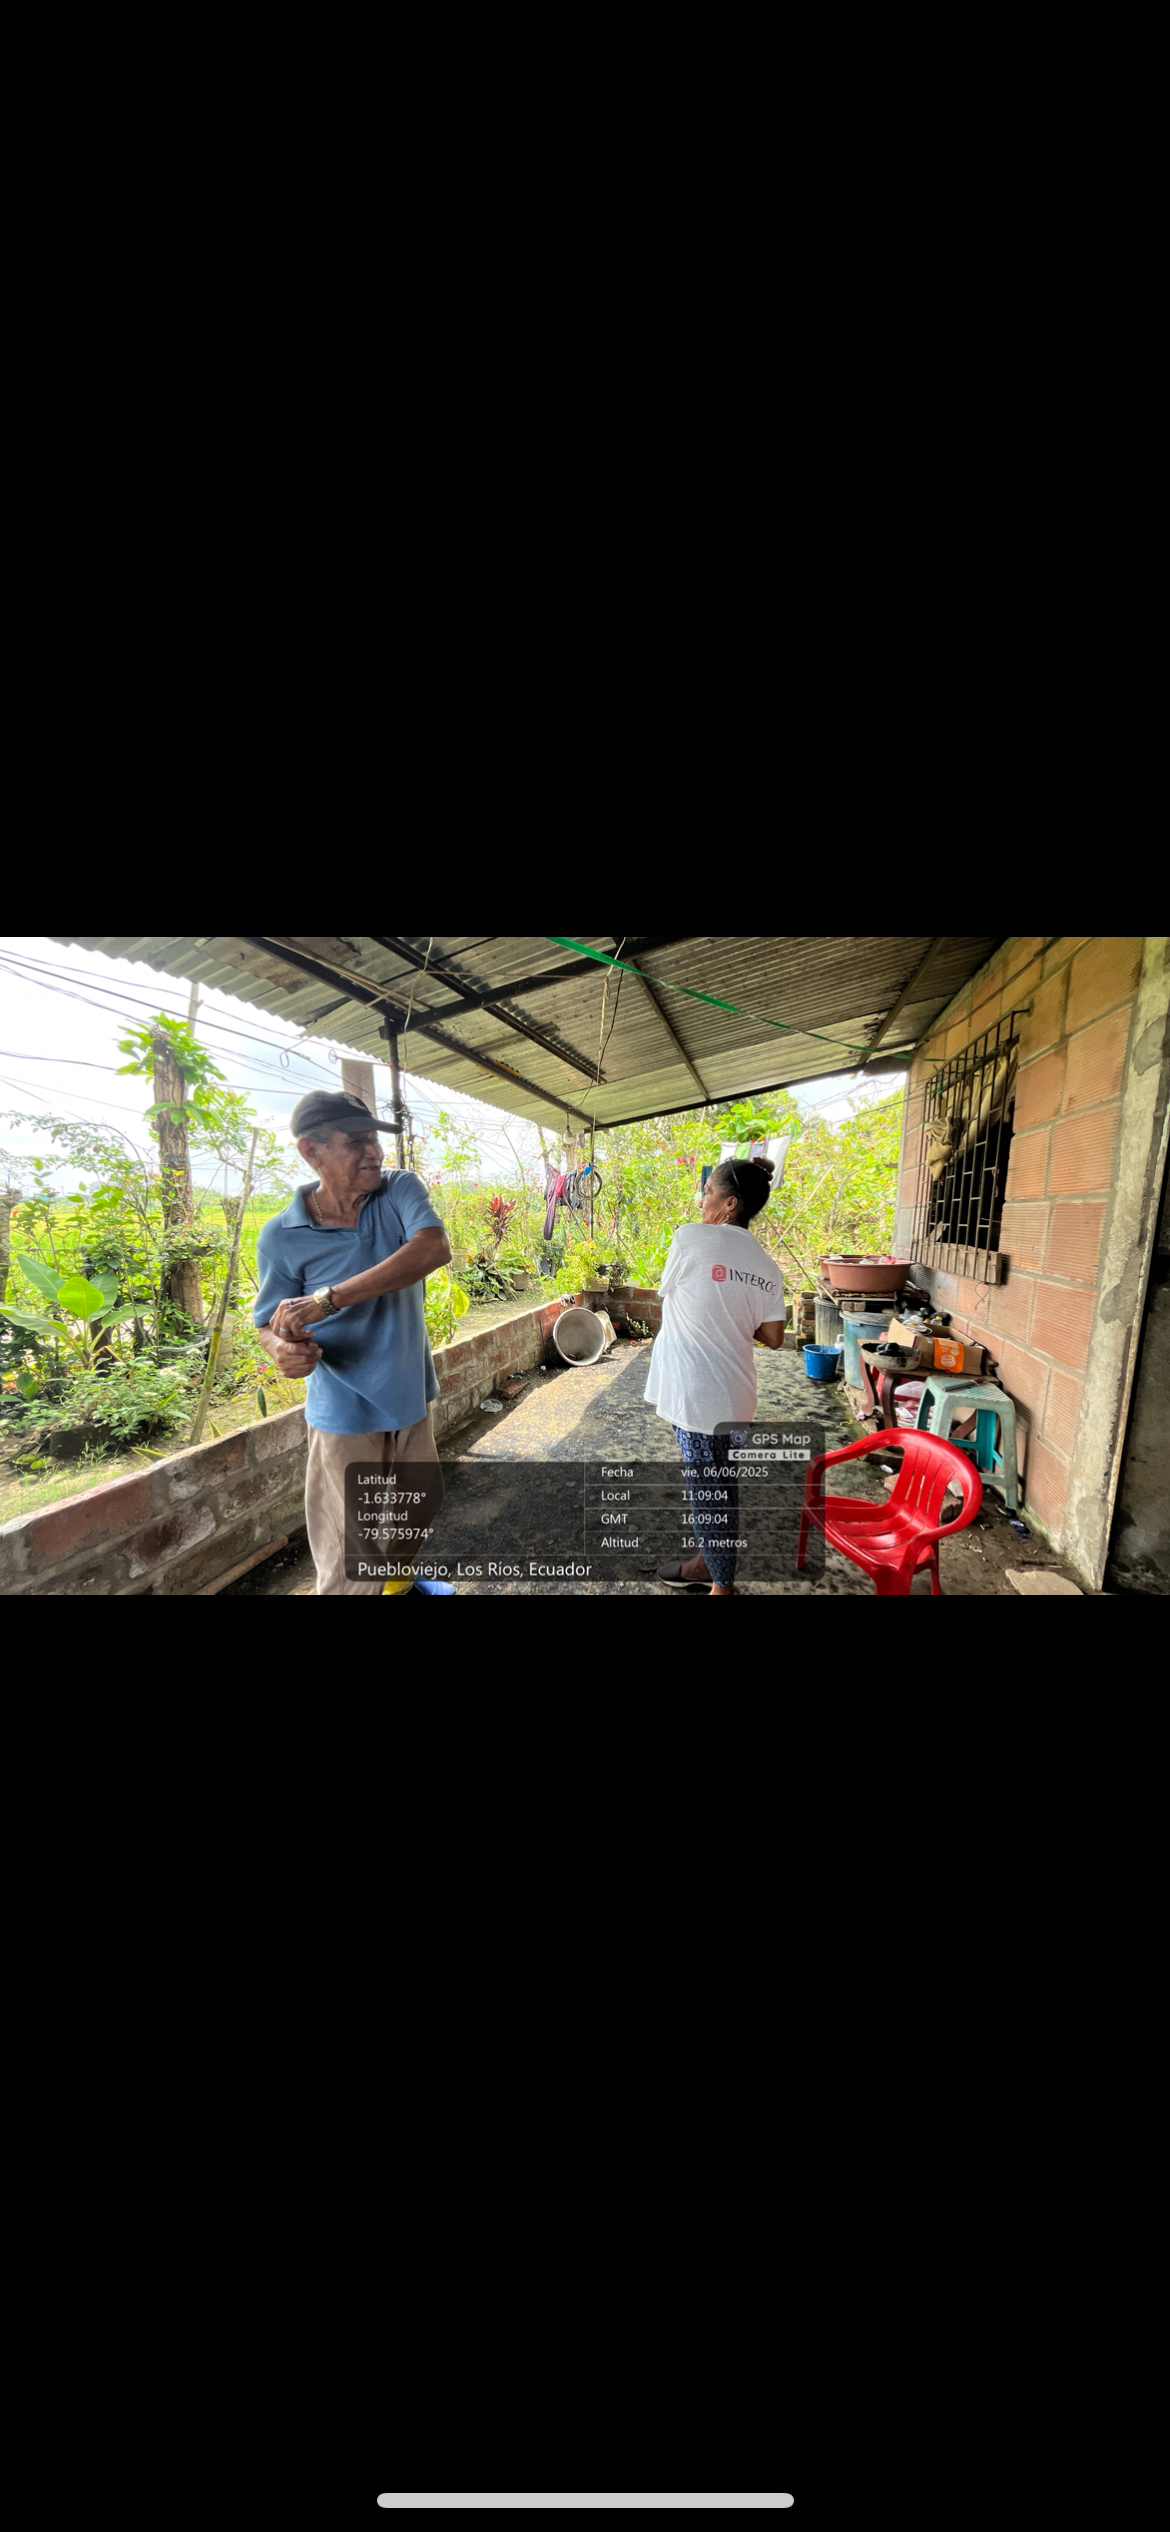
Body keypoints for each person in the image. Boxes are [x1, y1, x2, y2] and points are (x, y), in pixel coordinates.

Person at [253, 1090, 455, 1597]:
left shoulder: (398, 1191)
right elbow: (267, 1324)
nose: (374, 1153)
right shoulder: (281, 1236)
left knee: (416, 1508)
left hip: (409, 1396)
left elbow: (432, 1248)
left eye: (375, 1140)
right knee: (352, 1552)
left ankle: (399, 1587)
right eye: (356, 1142)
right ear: (311, 1151)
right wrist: (281, 1350)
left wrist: (328, 1299)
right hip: (345, 1411)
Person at [644, 1156, 785, 1597]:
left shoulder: (690, 1238)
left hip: (699, 1394)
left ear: (730, 1203)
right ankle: (707, 1562)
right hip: (735, 1394)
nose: (701, 1200)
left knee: (711, 1492)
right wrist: (736, 1313)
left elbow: (669, 1291)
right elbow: (774, 1336)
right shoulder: (768, 1266)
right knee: (717, 1481)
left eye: (708, 1192)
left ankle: (722, 1587)